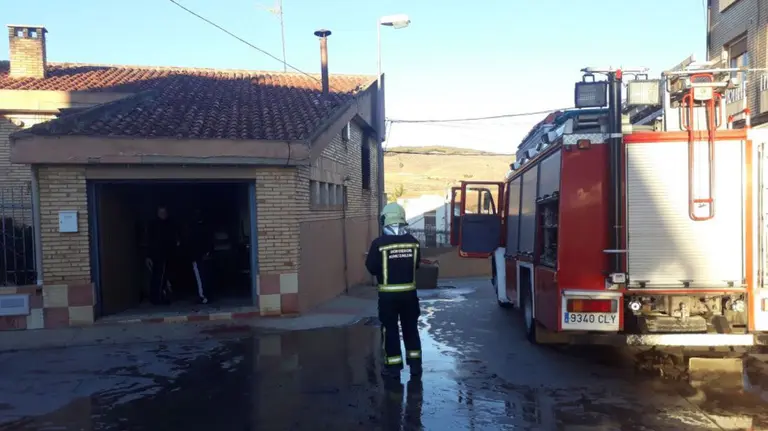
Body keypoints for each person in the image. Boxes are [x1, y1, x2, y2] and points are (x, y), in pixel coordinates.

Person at [365, 202, 423, 379]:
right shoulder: (414, 243)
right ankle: (415, 366)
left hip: (388, 296)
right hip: (410, 295)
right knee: (411, 328)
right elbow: (417, 265)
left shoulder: (379, 244)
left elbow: (372, 267)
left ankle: (393, 367)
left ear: (385, 219)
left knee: (390, 329)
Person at [145, 206, 180, 305]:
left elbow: (173, 239)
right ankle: (157, 297)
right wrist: (148, 256)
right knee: (159, 277)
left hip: (167, 254)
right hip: (158, 255)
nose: (163, 215)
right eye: (161, 212)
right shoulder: (153, 226)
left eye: (164, 212)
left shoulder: (169, 224)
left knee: (164, 276)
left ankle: (162, 296)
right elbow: (150, 241)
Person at [185, 209, 212, 304]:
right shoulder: (204, 226)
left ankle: (203, 296)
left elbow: (191, 242)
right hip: (203, 255)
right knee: (205, 275)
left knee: (201, 276)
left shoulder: (194, 228)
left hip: (199, 256)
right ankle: (206, 295)